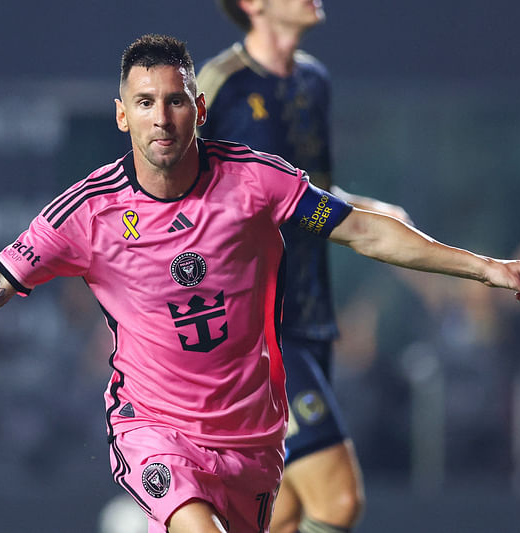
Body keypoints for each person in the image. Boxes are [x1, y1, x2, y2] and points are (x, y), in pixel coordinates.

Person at [0, 34, 520, 533]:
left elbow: (366, 228)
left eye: (175, 99)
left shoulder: (256, 184)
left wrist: (485, 267)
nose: (162, 117)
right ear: (121, 115)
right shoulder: (88, 214)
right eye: (145, 102)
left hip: (252, 436)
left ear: (197, 108)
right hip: (154, 428)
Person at [198, 2, 410, 531]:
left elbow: (311, 192)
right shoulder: (218, 83)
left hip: (312, 313)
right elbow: (174, 194)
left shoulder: (314, 80)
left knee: (282, 512)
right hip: (255, 328)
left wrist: (369, 210)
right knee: (338, 502)